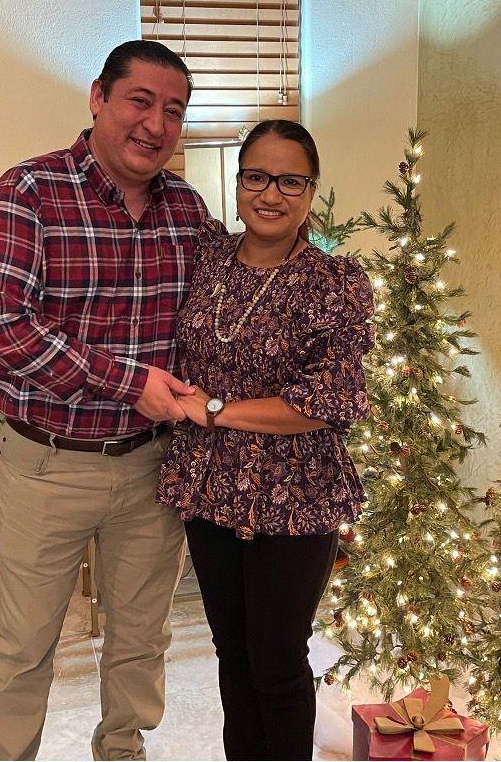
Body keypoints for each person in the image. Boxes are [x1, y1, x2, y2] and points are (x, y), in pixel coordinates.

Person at [0, 40, 215, 761]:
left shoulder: (189, 211)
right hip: (48, 464)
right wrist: (128, 381)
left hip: (153, 467)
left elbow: (216, 321)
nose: (156, 125)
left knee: (142, 639)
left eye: (174, 111)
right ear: (98, 97)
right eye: (140, 101)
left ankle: (123, 751)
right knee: (24, 642)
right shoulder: (30, 192)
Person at [157, 119, 375, 761]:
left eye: (290, 180)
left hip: (295, 498)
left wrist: (217, 410)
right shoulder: (207, 259)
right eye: (256, 176)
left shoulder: (337, 283)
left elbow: (331, 401)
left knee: (278, 661)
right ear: (238, 181)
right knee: (231, 655)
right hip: (211, 488)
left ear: (310, 191)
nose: (270, 194)